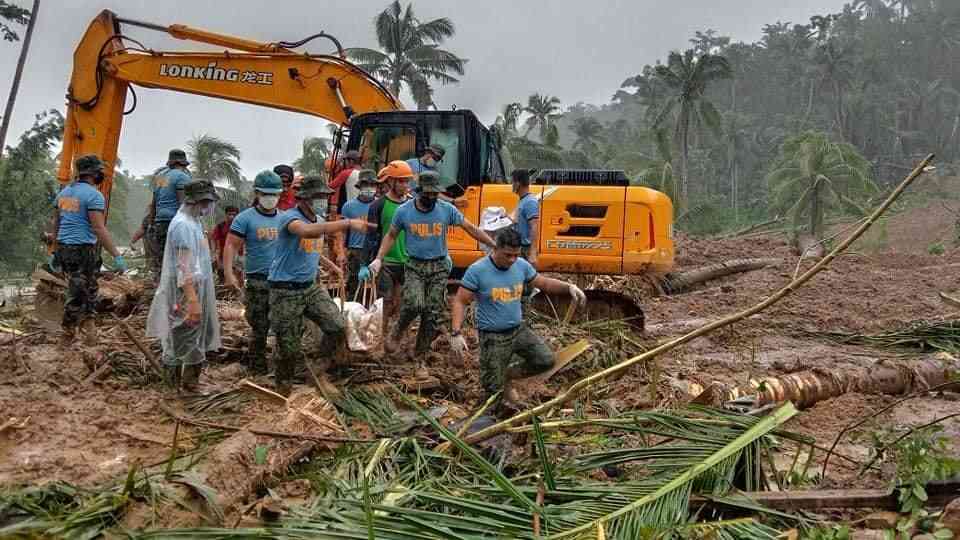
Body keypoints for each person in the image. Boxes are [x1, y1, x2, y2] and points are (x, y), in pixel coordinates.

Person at [450, 227, 585, 414]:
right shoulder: (478, 270)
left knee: (545, 360)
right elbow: (460, 300)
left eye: (516, 255)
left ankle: (507, 375)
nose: (512, 260)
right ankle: (486, 422)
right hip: (493, 337)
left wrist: (568, 287)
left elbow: (542, 282)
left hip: (518, 330)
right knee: (492, 392)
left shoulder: (521, 265)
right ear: (495, 248)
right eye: (508, 255)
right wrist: (456, 332)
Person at [366, 171, 495, 359]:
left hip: (439, 266)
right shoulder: (404, 211)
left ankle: (419, 356)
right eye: (428, 194)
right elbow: (391, 235)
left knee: (432, 312)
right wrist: (378, 258)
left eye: (435, 193)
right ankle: (398, 330)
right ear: (419, 192)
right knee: (413, 303)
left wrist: (492, 244)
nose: (432, 197)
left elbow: (470, 227)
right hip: (415, 265)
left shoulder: (446, 210)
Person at [268, 175, 371, 394]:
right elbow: (305, 232)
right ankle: (283, 388)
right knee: (288, 345)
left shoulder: (318, 219)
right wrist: (348, 223)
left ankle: (318, 369)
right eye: (318, 197)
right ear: (304, 199)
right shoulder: (290, 218)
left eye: (325, 196)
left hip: (310, 287)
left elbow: (311, 245)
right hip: (285, 289)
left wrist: (329, 265)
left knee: (337, 326)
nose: (323, 200)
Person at [146, 179, 222, 392]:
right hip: (185, 290)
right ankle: (171, 389)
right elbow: (184, 267)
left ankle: (190, 384)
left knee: (196, 336)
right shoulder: (182, 225)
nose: (208, 207)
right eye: (206, 202)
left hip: (197, 287)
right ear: (196, 202)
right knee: (180, 336)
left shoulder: (194, 221)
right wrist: (192, 300)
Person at [52, 154, 126, 346]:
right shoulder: (94, 196)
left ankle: (90, 331)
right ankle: (67, 335)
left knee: (88, 289)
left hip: (65, 249)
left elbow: (57, 223)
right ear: (94, 173)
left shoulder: (64, 193)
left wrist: (55, 249)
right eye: (100, 170)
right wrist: (117, 255)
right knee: (79, 293)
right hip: (82, 250)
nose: (102, 173)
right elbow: (98, 228)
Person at [224, 171, 285, 374]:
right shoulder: (245, 219)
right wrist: (229, 273)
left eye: (275, 194)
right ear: (257, 193)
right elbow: (231, 245)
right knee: (259, 328)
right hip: (258, 281)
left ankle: (280, 368)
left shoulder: (285, 219)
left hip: (281, 282)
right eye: (266, 194)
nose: (271, 198)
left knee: (284, 327)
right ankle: (257, 369)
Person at [361, 160, 413, 343]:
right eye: (401, 181)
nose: (405, 185)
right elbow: (371, 236)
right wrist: (366, 263)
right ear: (390, 181)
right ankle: (379, 340)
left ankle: (399, 341)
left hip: (407, 262)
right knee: (385, 303)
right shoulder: (378, 206)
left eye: (407, 181)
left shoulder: (413, 205)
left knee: (402, 306)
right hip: (386, 262)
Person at [149, 150, 192, 279]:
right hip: (175, 223)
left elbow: (154, 202)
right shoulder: (182, 177)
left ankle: (159, 287)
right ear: (183, 163)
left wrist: (152, 222)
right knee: (178, 261)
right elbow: (182, 203)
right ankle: (175, 292)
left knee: (162, 259)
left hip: (160, 222)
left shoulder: (162, 178)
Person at [340, 170, 377, 299]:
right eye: (366, 185)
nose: (369, 188)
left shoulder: (380, 204)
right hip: (356, 250)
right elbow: (343, 232)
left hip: (375, 250)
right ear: (359, 186)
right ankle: (352, 309)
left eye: (372, 185)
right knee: (354, 283)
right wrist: (342, 252)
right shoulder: (348, 206)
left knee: (376, 284)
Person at [211, 205, 239, 282]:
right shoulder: (220, 226)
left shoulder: (241, 226)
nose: (231, 216)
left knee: (237, 280)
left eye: (234, 214)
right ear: (225, 214)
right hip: (222, 257)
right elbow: (213, 239)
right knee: (223, 279)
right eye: (229, 214)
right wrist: (214, 254)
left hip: (237, 258)